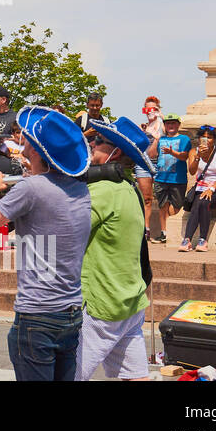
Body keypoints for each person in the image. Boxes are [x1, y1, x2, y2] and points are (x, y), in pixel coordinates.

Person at [0, 106, 92, 381]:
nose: (22, 143)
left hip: (37, 315)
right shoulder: (80, 189)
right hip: (70, 312)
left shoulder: (31, 189)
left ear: (36, 149)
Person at [75, 118, 152, 382]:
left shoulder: (103, 191)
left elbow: (65, 231)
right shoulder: (129, 187)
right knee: (135, 376)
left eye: (97, 141)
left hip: (102, 303)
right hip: (130, 299)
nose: (91, 143)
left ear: (114, 152)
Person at [180, 125, 216, 253]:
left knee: (204, 202)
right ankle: (187, 240)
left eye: (210, 137)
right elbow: (191, 171)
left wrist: (212, 189)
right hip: (200, 188)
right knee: (197, 204)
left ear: (214, 139)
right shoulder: (193, 151)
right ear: (199, 139)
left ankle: (203, 239)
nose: (206, 140)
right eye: (204, 137)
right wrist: (197, 156)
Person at [151, 113, 191, 244]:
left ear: (178, 125)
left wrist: (172, 152)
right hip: (161, 178)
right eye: (168, 123)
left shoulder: (184, 139)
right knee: (162, 206)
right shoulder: (161, 139)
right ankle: (164, 233)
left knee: (176, 206)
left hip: (177, 179)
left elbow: (184, 156)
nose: (170, 125)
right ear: (165, 125)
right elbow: (152, 154)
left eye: (173, 123)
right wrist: (156, 139)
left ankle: (172, 231)